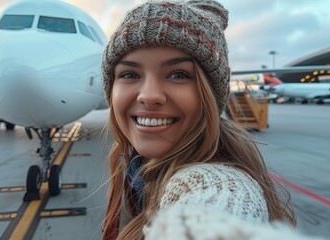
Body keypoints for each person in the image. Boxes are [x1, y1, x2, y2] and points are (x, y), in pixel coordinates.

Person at [100, 1, 296, 239]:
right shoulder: (136, 166)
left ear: (210, 96)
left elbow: (217, 205)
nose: (149, 96)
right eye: (129, 74)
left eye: (178, 74)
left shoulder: (216, 183)